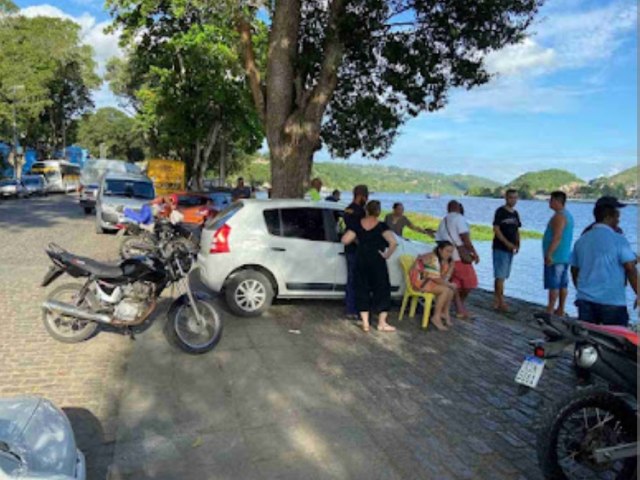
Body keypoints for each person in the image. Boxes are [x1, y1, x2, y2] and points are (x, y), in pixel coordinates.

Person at [571, 201, 637, 326]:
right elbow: (630, 268)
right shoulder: (619, 239)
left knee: (586, 341)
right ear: (608, 218)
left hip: (585, 300)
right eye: (616, 217)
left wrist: (580, 290)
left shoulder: (582, 240)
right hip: (612, 302)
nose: (618, 221)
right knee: (616, 341)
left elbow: (574, 269)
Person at [342, 200, 398, 332]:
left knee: (362, 288)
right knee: (382, 289)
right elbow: (393, 243)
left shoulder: (358, 224)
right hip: (377, 259)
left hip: (361, 258)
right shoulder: (381, 226)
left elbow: (345, 240)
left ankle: (365, 323)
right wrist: (387, 255)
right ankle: (382, 322)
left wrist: (359, 241)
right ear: (378, 212)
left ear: (366, 210)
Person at [435, 200, 479, 319]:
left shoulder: (443, 221)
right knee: (470, 283)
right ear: (458, 208)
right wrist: (474, 253)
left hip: (448, 258)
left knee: (456, 284)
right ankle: (459, 307)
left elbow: (438, 240)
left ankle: (459, 308)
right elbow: (465, 238)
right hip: (459, 257)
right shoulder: (459, 218)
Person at [409, 241, 456, 331]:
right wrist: (449, 284)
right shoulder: (431, 258)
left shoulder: (444, 260)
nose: (449, 254)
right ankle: (436, 317)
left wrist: (450, 268)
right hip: (420, 281)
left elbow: (443, 277)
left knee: (450, 290)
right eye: (447, 251)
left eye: (451, 252)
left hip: (429, 280)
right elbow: (435, 278)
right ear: (440, 250)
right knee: (445, 290)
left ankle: (444, 312)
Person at [542, 191, 574, 316]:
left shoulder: (559, 217)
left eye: (551, 200)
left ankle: (550, 309)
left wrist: (549, 253)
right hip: (564, 255)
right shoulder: (567, 215)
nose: (549, 203)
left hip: (557, 256)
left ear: (557, 201)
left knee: (554, 284)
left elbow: (557, 236)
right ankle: (560, 308)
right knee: (562, 283)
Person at [492, 189, 522, 312]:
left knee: (504, 275)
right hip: (500, 247)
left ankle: (497, 299)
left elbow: (517, 230)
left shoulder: (515, 214)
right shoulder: (500, 212)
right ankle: (500, 301)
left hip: (510, 249)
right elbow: (496, 229)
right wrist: (506, 243)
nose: (513, 200)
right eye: (511, 197)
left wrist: (518, 243)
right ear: (506, 198)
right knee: (500, 275)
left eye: (515, 198)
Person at [343, 184, 369, 320]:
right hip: (357, 249)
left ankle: (350, 308)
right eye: (366, 196)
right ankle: (356, 309)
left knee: (350, 280)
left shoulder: (347, 209)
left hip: (348, 248)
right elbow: (360, 231)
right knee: (357, 280)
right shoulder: (360, 211)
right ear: (361, 196)